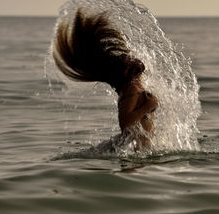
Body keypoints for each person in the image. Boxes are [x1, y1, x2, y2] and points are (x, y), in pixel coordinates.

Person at [53, 8, 158, 151]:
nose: (133, 58)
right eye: (129, 61)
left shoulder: (136, 87)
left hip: (136, 149)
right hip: (131, 151)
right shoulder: (132, 90)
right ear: (128, 73)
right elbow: (125, 122)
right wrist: (148, 106)